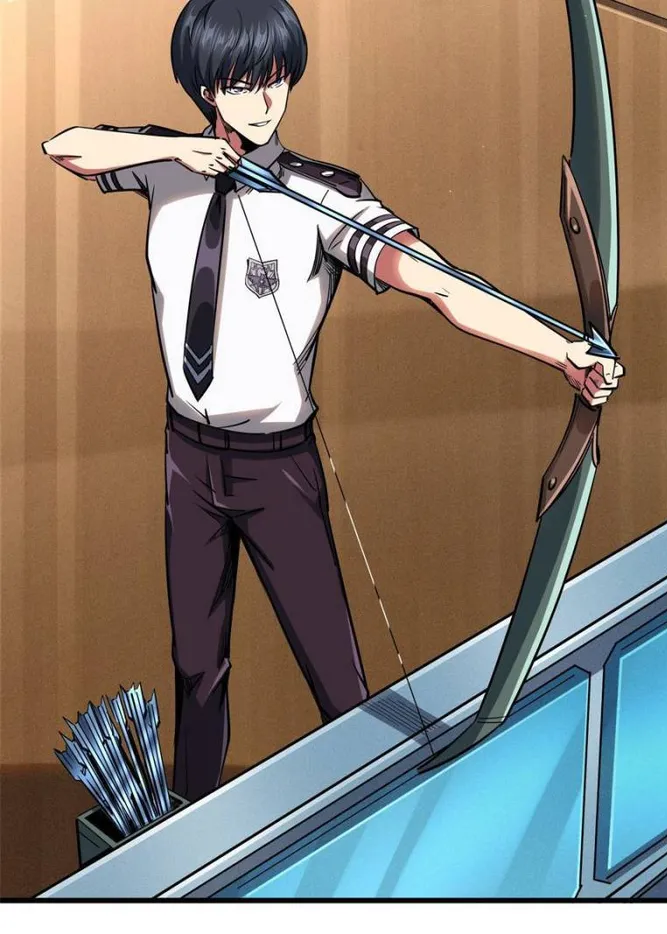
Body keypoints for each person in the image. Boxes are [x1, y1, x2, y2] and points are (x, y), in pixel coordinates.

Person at [42, 0, 624, 803]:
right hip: (187, 459)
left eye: (276, 80)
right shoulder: (161, 165)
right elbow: (63, 146)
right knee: (196, 670)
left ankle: (376, 812)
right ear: (207, 89)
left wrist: (562, 351)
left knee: (337, 680)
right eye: (242, 84)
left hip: (276, 467)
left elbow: (438, 285)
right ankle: (189, 833)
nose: (264, 101)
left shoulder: (324, 196)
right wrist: (179, 149)